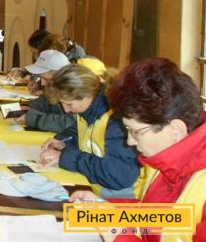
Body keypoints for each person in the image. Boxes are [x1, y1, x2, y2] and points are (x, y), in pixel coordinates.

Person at [71, 57, 206, 242]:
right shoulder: (163, 158)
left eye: (136, 132)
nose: (130, 141)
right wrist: (105, 209)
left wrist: (118, 238)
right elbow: (163, 219)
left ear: (175, 129)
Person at [40, 64, 141, 199]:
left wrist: (65, 157)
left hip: (121, 198)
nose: (66, 110)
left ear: (87, 96)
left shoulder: (116, 121)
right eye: (62, 103)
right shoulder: (87, 111)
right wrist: (63, 141)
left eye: (69, 104)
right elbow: (81, 133)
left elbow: (118, 175)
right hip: (93, 185)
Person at [13, 49, 76, 133]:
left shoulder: (76, 90)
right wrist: (29, 106)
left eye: (45, 79)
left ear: (60, 75)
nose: (42, 83)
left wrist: (33, 119)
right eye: (40, 78)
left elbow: (70, 123)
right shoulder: (56, 88)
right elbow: (46, 101)